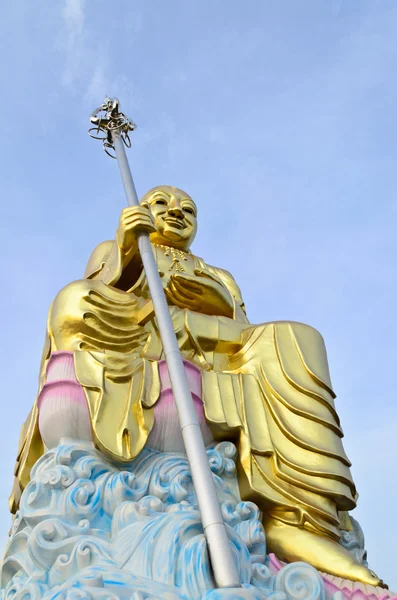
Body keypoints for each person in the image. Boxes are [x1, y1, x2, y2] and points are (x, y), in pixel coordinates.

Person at [10, 185, 383, 587]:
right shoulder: (116, 246)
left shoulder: (218, 275)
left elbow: (244, 334)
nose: (176, 213)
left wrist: (216, 302)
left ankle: (296, 515)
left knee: (299, 337)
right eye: (161, 204)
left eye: (188, 210)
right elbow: (96, 293)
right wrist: (128, 254)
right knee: (73, 299)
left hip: (206, 339)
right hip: (140, 326)